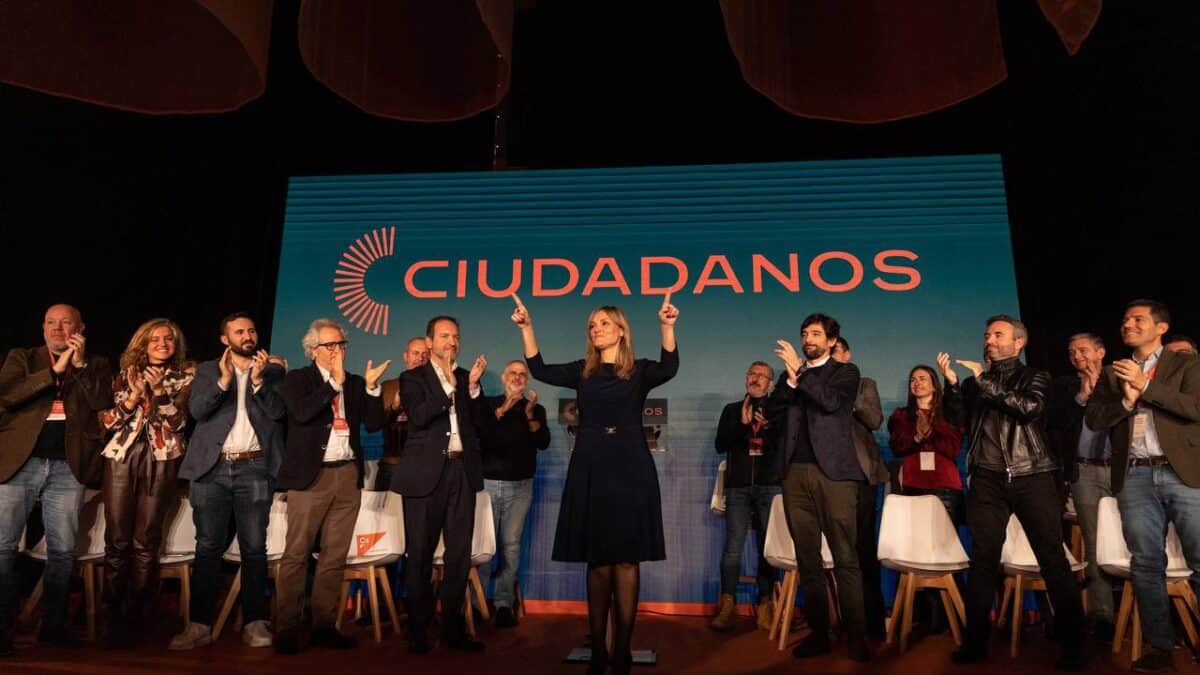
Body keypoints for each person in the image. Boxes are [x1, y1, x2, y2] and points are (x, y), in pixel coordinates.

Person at [511, 292, 679, 675]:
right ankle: (599, 652)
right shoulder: (581, 371)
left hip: (631, 469)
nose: (596, 328)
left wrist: (667, 326)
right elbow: (538, 368)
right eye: (592, 324)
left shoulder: (639, 370)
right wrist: (527, 327)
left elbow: (670, 366)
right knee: (597, 560)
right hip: (590, 468)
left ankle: (621, 651)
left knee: (625, 559)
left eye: (604, 322)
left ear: (621, 331)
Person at [941, 314, 1086, 670]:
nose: (989, 339)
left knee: (1052, 559)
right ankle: (975, 643)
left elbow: (1030, 409)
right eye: (987, 333)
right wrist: (953, 388)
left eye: (998, 334)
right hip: (988, 480)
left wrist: (983, 382)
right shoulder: (977, 383)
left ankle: (1074, 646)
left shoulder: (1035, 376)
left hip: (1032, 474)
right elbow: (959, 421)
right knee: (983, 560)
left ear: (1018, 343)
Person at [1087, 299, 1200, 672]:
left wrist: (1145, 387)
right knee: (1146, 563)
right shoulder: (1111, 372)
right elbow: (1096, 419)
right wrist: (1125, 398)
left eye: (1138, 319)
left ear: (1161, 327)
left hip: (1181, 473)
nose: (1128, 324)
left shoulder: (1186, 364)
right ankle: (1159, 647)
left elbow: (1194, 407)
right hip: (1134, 475)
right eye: (1125, 319)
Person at [169, 312, 287, 650]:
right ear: (225, 339)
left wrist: (260, 381)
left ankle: (254, 622)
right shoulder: (207, 370)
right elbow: (198, 412)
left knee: (253, 547)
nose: (248, 336)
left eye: (251, 330)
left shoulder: (274, 370)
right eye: (239, 331)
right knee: (207, 547)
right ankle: (199, 625)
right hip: (212, 469)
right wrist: (223, 382)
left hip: (254, 468)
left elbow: (279, 413)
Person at [0, 304, 113, 656]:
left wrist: (76, 367)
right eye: (51, 322)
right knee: (3, 548)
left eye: (66, 322)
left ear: (81, 327)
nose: (58, 328)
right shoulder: (23, 357)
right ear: (42, 327)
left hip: (69, 467)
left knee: (62, 551)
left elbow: (102, 402)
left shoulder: (94, 364)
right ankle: (3, 631)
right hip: (20, 461)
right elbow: (9, 395)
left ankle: (53, 626)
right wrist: (54, 370)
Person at [274, 318, 389, 654]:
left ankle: (324, 624)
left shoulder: (354, 383)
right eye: (330, 345)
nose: (338, 350)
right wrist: (332, 385)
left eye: (341, 344)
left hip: (346, 476)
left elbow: (374, 423)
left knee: (334, 556)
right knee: (296, 554)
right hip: (311, 477)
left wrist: (370, 389)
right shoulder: (296, 380)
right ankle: (287, 627)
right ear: (313, 350)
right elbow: (303, 413)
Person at [766, 313, 870, 662]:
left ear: (830, 342)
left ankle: (857, 637)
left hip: (835, 476)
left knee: (845, 558)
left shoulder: (846, 373)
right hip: (795, 474)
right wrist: (791, 382)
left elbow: (830, 403)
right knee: (807, 559)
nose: (808, 338)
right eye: (804, 333)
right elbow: (774, 411)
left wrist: (802, 373)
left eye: (815, 334)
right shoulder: (791, 376)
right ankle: (820, 634)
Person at [390, 316, 489, 654]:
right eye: (444, 335)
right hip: (424, 475)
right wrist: (448, 388)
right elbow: (418, 417)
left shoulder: (466, 379)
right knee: (418, 553)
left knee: (459, 555)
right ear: (429, 342)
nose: (452, 341)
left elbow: (481, 424)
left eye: (456, 336)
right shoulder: (412, 378)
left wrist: (473, 390)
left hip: (462, 472)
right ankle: (418, 630)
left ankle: (452, 629)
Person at [97, 318, 195, 648]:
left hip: (162, 458)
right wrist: (133, 396)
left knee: (146, 540)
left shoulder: (185, 377)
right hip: (121, 457)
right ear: (143, 342)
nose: (162, 343)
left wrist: (160, 394)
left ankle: (139, 617)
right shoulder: (125, 374)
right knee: (117, 541)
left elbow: (180, 423)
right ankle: (111, 618)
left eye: (168, 338)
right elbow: (108, 422)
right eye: (155, 338)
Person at [1046, 332, 1114, 642]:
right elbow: (1055, 421)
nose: (1077, 356)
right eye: (1072, 352)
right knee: (1095, 543)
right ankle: (1103, 616)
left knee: (1139, 542)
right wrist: (1081, 398)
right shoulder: (1063, 386)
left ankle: (1144, 610)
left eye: (1083, 350)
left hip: (1127, 471)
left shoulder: (1120, 377)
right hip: (1084, 471)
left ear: (1101, 352)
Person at [887, 364, 965, 637]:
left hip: (944, 487)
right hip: (912, 488)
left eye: (923, 378)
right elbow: (898, 445)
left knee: (943, 551)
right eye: (913, 379)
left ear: (934, 384)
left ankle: (950, 614)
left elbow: (953, 448)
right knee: (917, 553)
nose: (917, 383)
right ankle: (926, 616)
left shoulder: (948, 414)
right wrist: (917, 435)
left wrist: (931, 431)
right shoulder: (900, 415)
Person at [478, 359, 551, 628]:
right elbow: (484, 436)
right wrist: (505, 408)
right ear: (504, 377)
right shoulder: (488, 405)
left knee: (510, 546)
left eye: (523, 374)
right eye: (513, 373)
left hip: (521, 487)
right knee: (484, 548)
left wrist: (530, 415)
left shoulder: (535, 409)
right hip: (487, 485)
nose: (518, 378)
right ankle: (477, 603)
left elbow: (542, 442)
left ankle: (503, 604)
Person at [711, 360, 781, 632]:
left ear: (771, 384)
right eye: (752, 373)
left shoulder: (778, 410)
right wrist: (741, 426)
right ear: (746, 379)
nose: (756, 379)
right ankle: (727, 604)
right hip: (738, 486)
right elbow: (720, 445)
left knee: (768, 547)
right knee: (733, 547)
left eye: (763, 376)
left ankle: (765, 603)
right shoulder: (731, 410)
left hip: (769, 486)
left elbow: (785, 448)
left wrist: (769, 428)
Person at [831, 336, 890, 639]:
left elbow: (875, 419)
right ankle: (849, 622)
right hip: (829, 479)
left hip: (860, 478)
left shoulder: (864, 384)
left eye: (836, 352)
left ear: (848, 354)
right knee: (839, 553)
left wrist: (847, 395)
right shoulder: (816, 387)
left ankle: (874, 622)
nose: (832, 357)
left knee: (863, 551)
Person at [375, 337, 430, 491]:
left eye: (425, 354)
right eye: (415, 353)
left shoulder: (436, 390)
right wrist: (395, 407)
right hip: (392, 465)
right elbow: (375, 423)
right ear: (406, 356)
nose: (420, 358)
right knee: (386, 515)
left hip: (425, 466)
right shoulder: (388, 387)